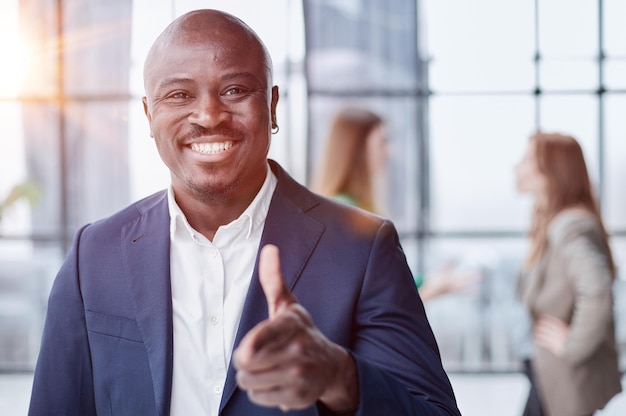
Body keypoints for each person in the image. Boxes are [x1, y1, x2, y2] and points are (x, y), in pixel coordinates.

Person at [28, 9, 460, 416]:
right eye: (179, 94)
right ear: (149, 114)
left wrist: (340, 377)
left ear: (271, 106)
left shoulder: (361, 248)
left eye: (234, 90)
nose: (209, 115)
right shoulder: (94, 255)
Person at [312, 107, 481, 303]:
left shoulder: (352, 209)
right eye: (382, 142)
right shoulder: (346, 215)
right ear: (357, 150)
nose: (388, 151)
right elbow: (367, 306)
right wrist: (431, 291)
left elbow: (378, 285)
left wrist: (426, 282)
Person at [515, 132, 622, 416]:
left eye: (527, 160)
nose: (517, 167)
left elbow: (598, 292)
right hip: (545, 376)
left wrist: (573, 345)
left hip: (563, 378)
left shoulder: (570, 225)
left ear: (551, 171)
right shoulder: (551, 222)